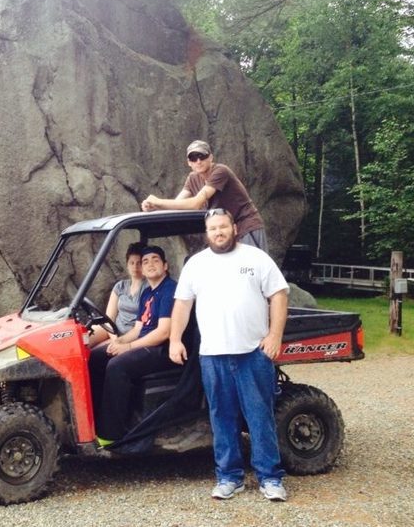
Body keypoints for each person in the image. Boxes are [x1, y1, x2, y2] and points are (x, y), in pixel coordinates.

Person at [169, 208, 289, 502]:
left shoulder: (256, 258)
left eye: (223, 226)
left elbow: (279, 295)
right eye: (213, 229)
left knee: (260, 417)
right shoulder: (196, 265)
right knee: (222, 418)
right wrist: (175, 340)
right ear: (206, 233)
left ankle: (270, 478)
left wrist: (274, 336)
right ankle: (229, 477)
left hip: (252, 354)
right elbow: (182, 305)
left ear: (234, 228)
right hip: (212, 356)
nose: (219, 232)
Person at [88, 245, 178, 444]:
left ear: (165, 266)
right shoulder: (148, 294)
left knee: (117, 365)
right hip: (146, 343)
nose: (149, 264)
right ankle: (94, 419)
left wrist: (128, 348)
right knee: (95, 358)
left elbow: (163, 332)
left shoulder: (169, 289)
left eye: (155, 260)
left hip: (162, 349)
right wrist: (120, 341)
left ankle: (111, 434)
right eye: (145, 262)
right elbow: (137, 328)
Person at [140, 140, 268, 252]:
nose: (198, 161)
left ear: (211, 157)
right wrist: (154, 207)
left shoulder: (220, 171)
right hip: (224, 231)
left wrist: (158, 201)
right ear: (189, 163)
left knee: (253, 270)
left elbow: (196, 203)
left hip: (245, 226)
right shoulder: (192, 178)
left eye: (202, 156)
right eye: (193, 158)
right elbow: (177, 204)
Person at [89, 242, 146, 347]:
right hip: (113, 331)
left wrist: (118, 342)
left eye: (139, 263)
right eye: (131, 263)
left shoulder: (148, 288)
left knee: (96, 352)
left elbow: (142, 325)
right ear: (127, 265)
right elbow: (109, 319)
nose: (135, 267)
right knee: (84, 338)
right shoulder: (120, 286)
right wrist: (114, 338)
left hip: (132, 335)